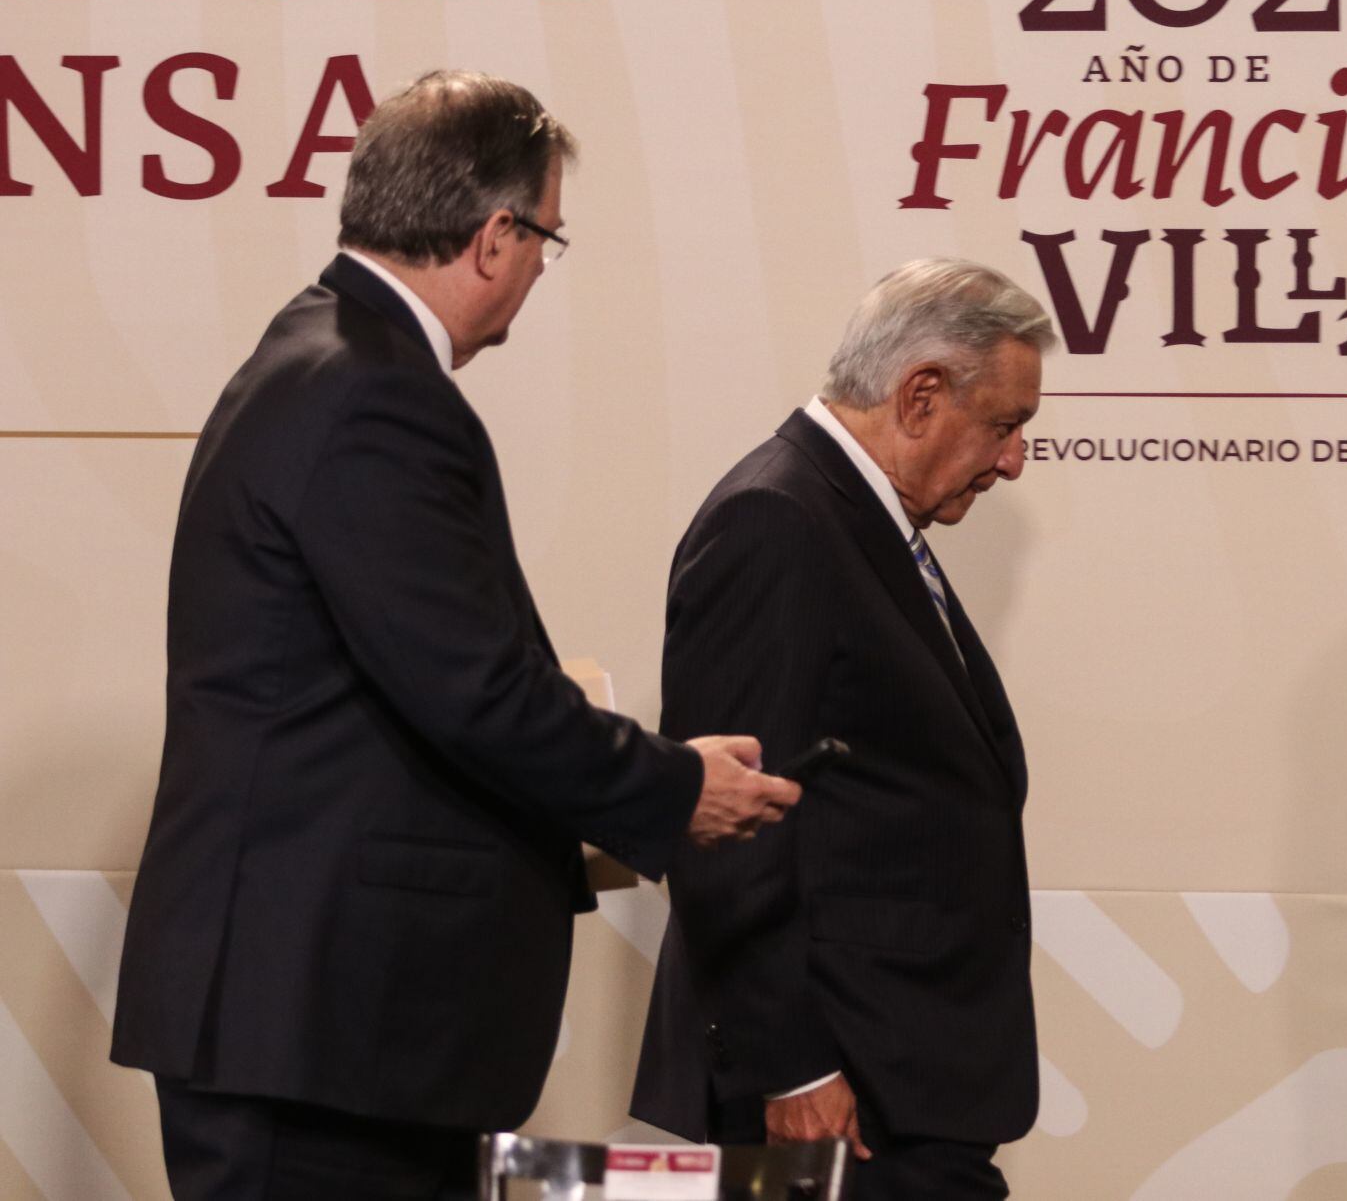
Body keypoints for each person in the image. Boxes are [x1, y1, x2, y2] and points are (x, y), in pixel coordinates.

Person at [109, 70, 800, 1201]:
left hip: (319, 1022)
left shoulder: (320, 355)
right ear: (494, 235)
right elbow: (474, 690)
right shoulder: (372, 392)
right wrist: (675, 788)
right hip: (324, 1030)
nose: (537, 272)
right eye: (547, 244)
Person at [630, 258, 1056, 1199]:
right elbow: (725, 821)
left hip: (902, 1085)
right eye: (1005, 425)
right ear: (920, 395)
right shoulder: (776, 520)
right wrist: (792, 1066)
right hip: (835, 1098)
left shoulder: (861, 523)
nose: (1016, 458)